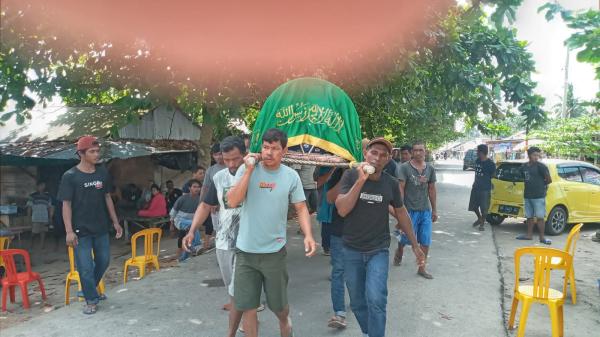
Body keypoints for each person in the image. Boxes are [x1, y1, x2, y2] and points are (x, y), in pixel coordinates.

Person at [226, 128, 317, 337]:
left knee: (279, 308)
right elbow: (232, 201)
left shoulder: (290, 176)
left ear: (283, 150)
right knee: (248, 307)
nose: (268, 152)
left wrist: (309, 236)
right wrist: (248, 170)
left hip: (274, 253)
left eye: (274, 148)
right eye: (266, 147)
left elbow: (301, 207)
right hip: (245, 253)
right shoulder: (246, 170)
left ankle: (285, 324)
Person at [335, 137, 425, 337]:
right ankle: (371, 332)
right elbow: (342, 210)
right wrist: (361, 180)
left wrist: (415, 245)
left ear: (388, 160)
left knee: (376, 299)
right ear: (366, 153)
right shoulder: (350, 176)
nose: (377, 158)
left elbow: (401, 213)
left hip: (378, 250)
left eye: (383, 155)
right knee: (358, 303)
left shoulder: (390, 184)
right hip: (351, 250)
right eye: (374, 152)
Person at [182, 136, 259, 331]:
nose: (231, 164)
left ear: (245, 154)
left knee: (244, 287)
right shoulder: (219, 177)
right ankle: (241, 314)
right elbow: (206, 205)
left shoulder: (255, 173)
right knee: (231, 286)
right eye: (227, 160)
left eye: (236, 158)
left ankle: (247, 319)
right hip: (224, 242)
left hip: (250, 242)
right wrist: (192, 230)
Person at [57, 136, 123, 315]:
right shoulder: (70, 176)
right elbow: (66, 204)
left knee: (104, 260)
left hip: (101, 228)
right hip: (80, 231)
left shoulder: (102, 173)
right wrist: (69, 231)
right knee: (85, 268)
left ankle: (88, 289)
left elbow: (107, 197)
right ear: (81, 153)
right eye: (92, 151)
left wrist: (115, 222)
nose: (96, 154)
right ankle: (91, 300)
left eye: (97, 151)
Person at [397, 141, 438, 279]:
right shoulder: (404, 168)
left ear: (425, 151)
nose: (418, 153)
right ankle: (400, 250)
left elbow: (431, 189)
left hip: (425, 210)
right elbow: (400, 189)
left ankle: (422, 268)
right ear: (412, 152)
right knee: (405, 238)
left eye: (421, 150)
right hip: (409, 210)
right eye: (415, 150)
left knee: (425, 240)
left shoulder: (430, 169)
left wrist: (434, 210)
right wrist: (399, 211)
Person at [322, 167, 349, 329]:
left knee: (358, 270)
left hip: (362, 233)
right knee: (338, 270)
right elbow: (330, 199)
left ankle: (359, 300)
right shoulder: (339, 172)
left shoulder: (372, 172)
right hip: (339, 231)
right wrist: (345, 176)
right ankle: (339, 313)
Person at [516, 146, 552, 245]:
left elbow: (549, 180)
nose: (536, 157)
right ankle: (529, 235)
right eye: (534, 155)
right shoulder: (524, 167)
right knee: (529, 216)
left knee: (540, 217)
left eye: (537, 155)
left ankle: (542, 238)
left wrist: (541, 186)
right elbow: (523, 177)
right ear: (529, 155)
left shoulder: (541, 166)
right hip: (527, 195)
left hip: (539, 196)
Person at [201, 143, 226, 249]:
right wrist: (201, 204)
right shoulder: (210, 170)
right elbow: (205, 188)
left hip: (231, 205)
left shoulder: (232, 167)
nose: (219, 157)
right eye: (216, 154)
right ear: (213, 156)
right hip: (214, 207)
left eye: (220, 154)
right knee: (217, 230)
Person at [171, 179, 203, 261]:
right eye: (194, 187)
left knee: (189, 237)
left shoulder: (200, 199)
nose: (197, 189)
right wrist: (171, 225)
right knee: (193, 225)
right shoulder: (182, 198)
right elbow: (173, 212)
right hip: (180, 221)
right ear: (189, 188)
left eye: (198, 187)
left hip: (191, 222)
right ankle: (197, 245)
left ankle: (183, 258)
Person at [469, 144, 496, 231]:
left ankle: (482, 224)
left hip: (485, 189)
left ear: (482, 152)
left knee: (484, 208)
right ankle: (480, 218)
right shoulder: (477, 161)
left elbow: (493, 175)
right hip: (476, 187)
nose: (477, 153)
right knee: (474, 206)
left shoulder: (490, 164)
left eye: (478, 151)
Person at [27, 181, 54, 250]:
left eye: (43, 185)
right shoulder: (32, 196)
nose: (42, 187)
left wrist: (50, 217)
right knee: (33, 233)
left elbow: (50, 208)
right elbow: (29, 208)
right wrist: (29, 218)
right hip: (35, 217)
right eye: (41, 185)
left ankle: (42, 245)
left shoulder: (48, 196)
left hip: (44, 217)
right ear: (37, 186)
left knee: (43, 232)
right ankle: (31, 244)